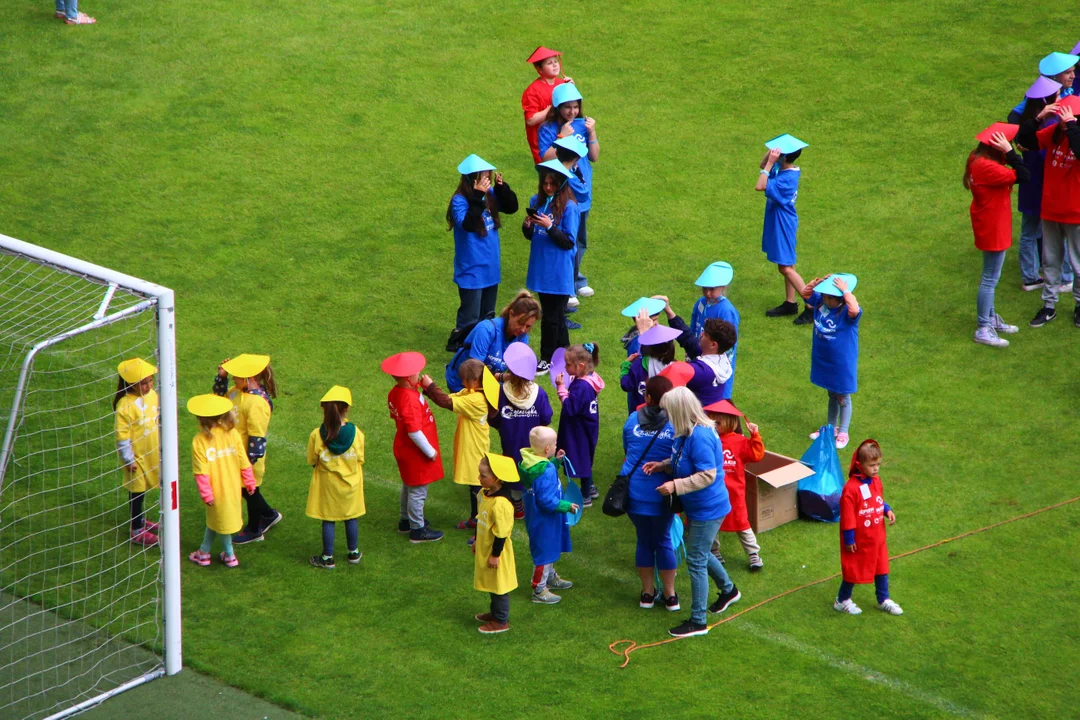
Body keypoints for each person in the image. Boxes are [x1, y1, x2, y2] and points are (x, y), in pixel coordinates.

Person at [643, 387, 740, 638]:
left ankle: (698, 621)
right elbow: (682, 459)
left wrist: (675, 485)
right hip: (697, 507)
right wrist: (663, 465)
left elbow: (708, 474)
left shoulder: (701, 436)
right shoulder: (684, 432)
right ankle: (729, 590)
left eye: (668, 410)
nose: (665, 414)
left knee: (696, 558)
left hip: (709, 508)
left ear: (679, 410)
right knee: (700, 551)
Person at [444, 155, 520, 353]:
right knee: (470, 315)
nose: (488, 178)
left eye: (489, 175)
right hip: (471, 268)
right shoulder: (459, 200)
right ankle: (459, 347)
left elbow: (512, 207)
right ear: (472, 178)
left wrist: (502, 189)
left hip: (490, 266)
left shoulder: (490, 194)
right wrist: (478, 197)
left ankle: (481, 348)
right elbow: (468, 224)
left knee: (487, 314)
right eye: (484, 175)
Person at [964, 124, 1030, 347]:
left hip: (992, 224)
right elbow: (1024, 175)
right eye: (1006, 143)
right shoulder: (988, 168)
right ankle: (983, 328)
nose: (1009, 146)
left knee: (991, 275)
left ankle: (990, 319)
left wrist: (1007, 151)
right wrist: (1011, 154)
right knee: (990, 278)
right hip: (993, 227)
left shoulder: (978, 159)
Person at [1021, 97, 1080, 328]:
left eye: (1065, 118)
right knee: (1050, 261)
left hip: (1075, 213)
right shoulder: (1055, 132)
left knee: (1078, 264)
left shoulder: (1073, 134)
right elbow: (1026, 141)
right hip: (1051, 210)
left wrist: (1072, 126)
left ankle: (1079, 305)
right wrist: (1038, 119)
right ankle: (1048, 306)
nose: (1061, 122)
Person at [213, 354, 282, 544]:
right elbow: (219, 402)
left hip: (247, 458)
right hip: (236, 454)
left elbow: (257, 437)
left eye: (235, 376)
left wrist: (247, 464)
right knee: (248, 491)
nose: (233, 379)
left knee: (248, 491)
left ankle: (255, 529)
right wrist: (222, 378)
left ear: (248, 379)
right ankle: (268, 515)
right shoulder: (236, 391)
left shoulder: (257, 403)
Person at [624, 376, 680, 610]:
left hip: (633, 493)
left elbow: (627, 448)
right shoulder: (677, 425)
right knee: (663, 541)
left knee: (644, 541)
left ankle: (647, 594)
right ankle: (670, 596)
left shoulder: (631, 421)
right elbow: (680, 459)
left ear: (648, 398)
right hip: (662, 496)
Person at [540, 98, 600, 305]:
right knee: (566, 241)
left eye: (576, 107)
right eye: (567, 107)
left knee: (580, 242)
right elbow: (546, 158)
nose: (572, 111)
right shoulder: (548, 128)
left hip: (582, 195)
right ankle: (567, 289)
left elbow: (594, 156)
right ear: (558, 107)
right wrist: (560, 137)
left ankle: (575, 281)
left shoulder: (583, 125)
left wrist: (591, 133)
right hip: (563, 195)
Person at [1009, 77, 1066, 292]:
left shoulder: (1028, 123)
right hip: (1044, 186)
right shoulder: (1051, 126)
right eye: (1058, 96)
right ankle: (1037, 275)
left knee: (1030, 230)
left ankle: (1032, 274)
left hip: (1030, 186)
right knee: (1043, 231)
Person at [186, 394, 256, 568]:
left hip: (215, 490)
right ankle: (204, 552)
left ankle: (230, 555)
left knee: (221, 522)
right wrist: (250, 482)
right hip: (232, 488)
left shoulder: (199, 440)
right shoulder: (232, 434)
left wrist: (206, 494)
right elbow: (244, 461)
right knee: (217, 521)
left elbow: (201, 472)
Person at [834, 439, 902, 616]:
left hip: (877, 536)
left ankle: (883, 599)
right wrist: (849, 539)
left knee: (881, 567)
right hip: (859, 539)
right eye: (872, 465)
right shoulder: (850, 489)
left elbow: (877, 499)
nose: (876, 469)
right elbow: (848, 516)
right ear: (859, 464)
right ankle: (842, 600)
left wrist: (886, 510)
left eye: (878, 464)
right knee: (853, 569)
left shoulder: (876, 481)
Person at [522, 161, 580, 371]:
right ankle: (565, 353)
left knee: (551, 317)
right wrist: (527, 226)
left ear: (561, 184)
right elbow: (531, 235)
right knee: (555, 316)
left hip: (558, 271)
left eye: (552, 184)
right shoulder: (537, 202)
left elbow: (568, 241)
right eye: (545, 183)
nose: (547, 187)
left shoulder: (570, 208)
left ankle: (546, 359)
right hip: (541, 268)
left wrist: (549, 226)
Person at [422, 360, 492, 532]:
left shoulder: (477, 399)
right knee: (474, 484)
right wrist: (429, 391)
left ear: (475, 380)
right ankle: (476, 519)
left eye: (465, 379)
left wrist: (431, 386)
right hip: (474, 445)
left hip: (474, 448)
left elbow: (446, 402)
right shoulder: (474, 391)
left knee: (478, 486)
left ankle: (481, 528)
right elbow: (449, 398)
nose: (462, 383)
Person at [382, 351, 444, 543]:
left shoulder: (396, 393)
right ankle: (417, 529)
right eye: (417, 372)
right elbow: (414, 431)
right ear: (409, 377)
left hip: (405, 448)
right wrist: (430, 451)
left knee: (408, 485)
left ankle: (405, 521)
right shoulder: (408, 398)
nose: (420, 374)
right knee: (417, 490)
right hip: (415, 452)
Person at [756, 134, 813, 325]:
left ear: (783, 157)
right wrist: (772, 154)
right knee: (788, 263)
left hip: (782, 223)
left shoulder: (786, 178)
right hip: (780, 220)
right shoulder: (786, 167)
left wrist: (771, 162)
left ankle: (812, 305)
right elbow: (761, 165)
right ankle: (790, 303)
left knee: (785, 267)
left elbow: (760, 185)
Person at [306, 386, 365, 570]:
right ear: (346, 408)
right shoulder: (357, 434)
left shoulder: (317, 435)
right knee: (351, 517)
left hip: (327, 486)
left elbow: (312, 459)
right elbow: (361, 458)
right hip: (351, 485)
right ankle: (353, 553)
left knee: (328, 519)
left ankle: (327, 557)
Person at [800, 274, 861, 450]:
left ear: (840, 299)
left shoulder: (847, 312)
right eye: (824, 296)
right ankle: (829, 428)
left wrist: (845, 290)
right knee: (832, 395)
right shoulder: (820, 303)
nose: (825, 299)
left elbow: (855, 309)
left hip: (841, 363)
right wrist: (818, 283)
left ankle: (843, 432)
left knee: (843, 396)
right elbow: (805, 293)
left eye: (829, 297)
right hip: (824, 360)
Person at [491, 343, 551, 519]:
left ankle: (518, 507)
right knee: (533, 469)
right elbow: (546, 418)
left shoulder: (501, 392)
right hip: (534, 443)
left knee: (512, 469)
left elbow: (494, 418)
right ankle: (535, 501)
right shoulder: (539, 393)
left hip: (510, 440)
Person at [518, 427, 578, 604]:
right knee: (544, 552)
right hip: (545, 518)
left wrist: (556, 462)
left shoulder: (531, 463)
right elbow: (546, 500)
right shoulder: (546, 471)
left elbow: (541, 476)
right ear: (547, 449)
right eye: (554, 444)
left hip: (536, 517)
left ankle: (550, 577)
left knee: (549, 547)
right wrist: (567, 506)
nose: (555, 446)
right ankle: (539, 589)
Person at [703, 400, 765, 571]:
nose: (713, 425)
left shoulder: (740, 441)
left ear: (730, 422)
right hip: (713, 492)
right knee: (712, 523)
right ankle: (714, 550)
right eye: (711, 421)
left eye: (717, 422)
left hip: (735, 494)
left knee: (742, 523)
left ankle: (753, 554)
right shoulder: (709, 439)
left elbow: (757, 454)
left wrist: (755, 435)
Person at [445, 290, 539, 392]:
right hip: (464, 383)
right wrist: (502, 377)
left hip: (491, 384)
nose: (523, 329)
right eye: (521, 323)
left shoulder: (522, 337)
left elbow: (519, 372)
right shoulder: (486, 330)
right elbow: (474, 373)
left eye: (528, 326)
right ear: (511, 314)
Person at [113, 358, 160, 547]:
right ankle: (136, 530)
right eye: (143, 382)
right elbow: (122, 435)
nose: (148, 386)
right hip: (136, 458)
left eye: (150, 381)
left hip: (152, 453)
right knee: (137, 492)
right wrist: (128, 459)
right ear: (132, 383)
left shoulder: (153, 396)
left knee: (146, 487)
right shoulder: (124, 404)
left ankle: (140, 519)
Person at [472, 453, 519, 634]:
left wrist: (495, 555)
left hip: (496, 552)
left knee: (499, 586)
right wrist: (477, 539)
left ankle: (501, 621)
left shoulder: (501, 503)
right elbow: (480, 519)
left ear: (497, 478)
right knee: (492, 583)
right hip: (486, 548)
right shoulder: (485, 495)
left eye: (483, 476)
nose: (479, 479)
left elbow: (501, 533)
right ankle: (495, 613)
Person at [555, 343, 603, 505]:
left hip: (578, 430)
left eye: (568, 364)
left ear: (581, 366)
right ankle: (590, 487)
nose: (566, 368)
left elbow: (570, 408)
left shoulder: (582, 386)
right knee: (585, 456)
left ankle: (585, 496)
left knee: (580, 459)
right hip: (588, 427)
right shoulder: (589, 378)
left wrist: (561, 388)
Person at [521, 47, 570, 165]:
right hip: (543, 141)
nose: (554, 65)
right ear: (539, 69)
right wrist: (551, 109)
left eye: (555, 61)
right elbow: (531, 120)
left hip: (563, 134)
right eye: (549, 63)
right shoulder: (532, 91)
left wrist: (571, 90)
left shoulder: (562, 84)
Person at [620, 324, 681, 414]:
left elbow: (626, 384)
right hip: (666, 418)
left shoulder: (638, 365)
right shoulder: (677, 367)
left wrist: (625, 365)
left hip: (640, 418)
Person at [684, 319, 736, 407]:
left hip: (696, 418)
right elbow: (690, 341)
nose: (701, 335)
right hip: (709, 416)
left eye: (705, 335)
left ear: (713, 345)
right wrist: (671, 314)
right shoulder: (722, 359)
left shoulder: (702, 371)